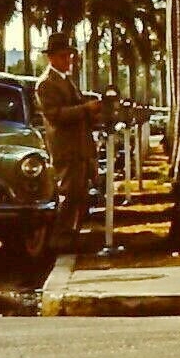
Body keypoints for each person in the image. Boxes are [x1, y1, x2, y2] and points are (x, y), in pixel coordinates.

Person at [35, 32, 102, 250]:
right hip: (65, 147)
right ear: (52, 57)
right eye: (64, 56)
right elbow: (55, 115)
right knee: (68, 193)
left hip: (80, 146)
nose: (68, 61)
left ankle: (71, 235)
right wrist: (85, 109)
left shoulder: (67, 81)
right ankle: (59, 239)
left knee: (81, 194)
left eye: (70, 56)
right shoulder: (46, 84)